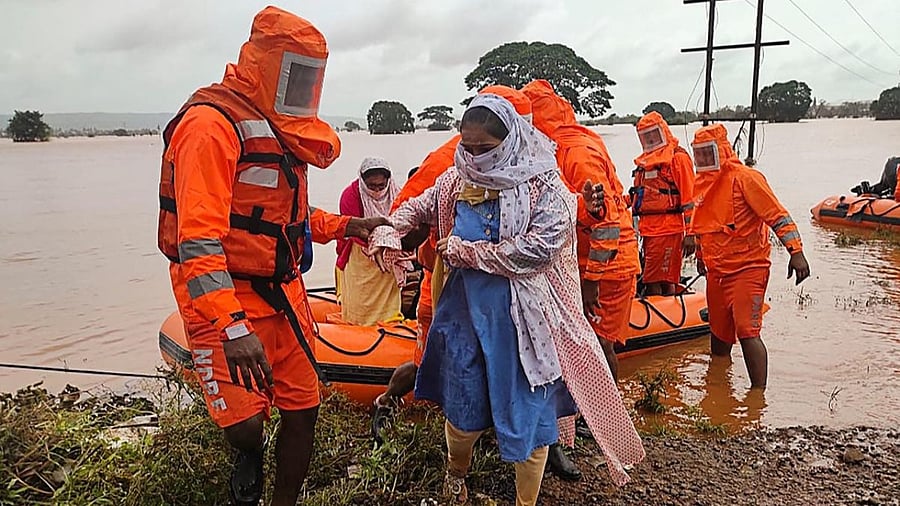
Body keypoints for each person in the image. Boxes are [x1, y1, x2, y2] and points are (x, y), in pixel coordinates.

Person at [156, 7, 387, 505]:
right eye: (294, 74)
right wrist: (232, 326)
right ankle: (245, 459)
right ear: (265, 64)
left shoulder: (277, 128)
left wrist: (349, 225)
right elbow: (199, 241)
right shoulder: (210, 126)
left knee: (304, 409)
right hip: (223, 296)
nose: (303, 88)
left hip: (283, 294)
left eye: (311, 77)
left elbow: (285, 222)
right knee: (246, 427)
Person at [371, 94, 644, 505]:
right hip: (463, 314)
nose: (477, 157)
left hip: (524, 319)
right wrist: (387, 234)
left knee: (528, 413)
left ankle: (525, 500)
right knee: (462, 404)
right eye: (469, 147)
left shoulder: (542, 184)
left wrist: (468, 252)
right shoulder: (453, 181)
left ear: (511, 139)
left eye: (486, 148)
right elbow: (414, 209)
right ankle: (456, 475)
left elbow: (538, 249)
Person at [369, 85, 533, 440]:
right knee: (435, 360)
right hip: (446, 287)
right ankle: (390, 404)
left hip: (502, 299)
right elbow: (410, 216)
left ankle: (512, 436)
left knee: (503, 366)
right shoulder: (451, 168)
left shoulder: (527, 172)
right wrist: (397, 240)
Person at [522, 80, 641, 384]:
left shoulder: (577, 153)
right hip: (582, 261)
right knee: (577, 341)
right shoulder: (556, 149)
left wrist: (592, 281)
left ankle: (608, 418)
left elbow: (607, 219)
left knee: (600, 343)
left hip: (608, 267)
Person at [690, 124, 811, 388]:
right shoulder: (702, 184)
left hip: (748, 268)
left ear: (721, 151)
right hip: (717, 272)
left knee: (747, 331)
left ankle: (757, 399)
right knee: (719, 337)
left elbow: (776, 215)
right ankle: (720, 388)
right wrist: (701, 257)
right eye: (698, 154)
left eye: (707, 153)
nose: (702, 160)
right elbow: (702, 226)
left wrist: (796, 252)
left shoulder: (745, 178)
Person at [630, 112, 696, 296]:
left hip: (667, 229)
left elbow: (690, 198)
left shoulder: (677, 158)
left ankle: (665, 311)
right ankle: (667, 308)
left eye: (653, 133)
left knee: (656, 280)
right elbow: (640, 196)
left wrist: (691, 234)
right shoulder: (645, 162)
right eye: (646, 135)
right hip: (649, 229)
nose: (650, 139)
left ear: (663, 131)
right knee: (658, 277)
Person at [335, 157, 404, 325]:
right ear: (363, 181)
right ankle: (358, 331)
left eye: (381, 186)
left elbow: (403, 222)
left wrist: (388, 243)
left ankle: (390, 328)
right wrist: (379, 239)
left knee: (388, 300)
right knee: (361, 300)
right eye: (371, 186)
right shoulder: (350, 195)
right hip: (359, 255)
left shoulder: (397, 194)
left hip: (388, 255)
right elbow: (353, 229)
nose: (377, 190)